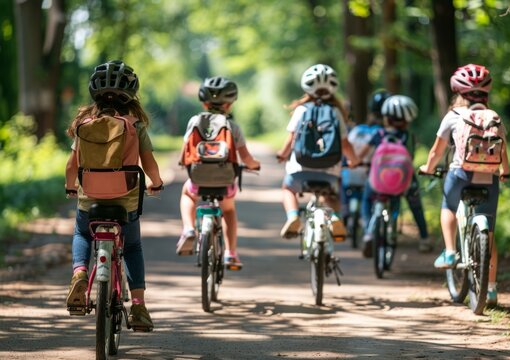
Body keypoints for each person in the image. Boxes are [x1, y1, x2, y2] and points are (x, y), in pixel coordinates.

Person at [65, 60, 163, 331]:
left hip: (90, 200)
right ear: (131, 96)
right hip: (126, 200)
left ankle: (80, 274)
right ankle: (140, 307)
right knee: (132, 247)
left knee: (82, 233)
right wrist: (156, 182)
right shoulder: (136, 125)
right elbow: (149, 162)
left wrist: (71, 187)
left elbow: (72, 165)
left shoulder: (85, 124)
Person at [419, 63, 510, 306]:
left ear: (459, 92)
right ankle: (490, 289)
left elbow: (437, 151)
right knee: (489, 232)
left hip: (460, 173)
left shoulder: (453, 116)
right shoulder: (494, 117)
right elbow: (503, 150)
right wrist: (504, 172)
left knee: (448, 207)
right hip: (489, 177)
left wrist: (427, 168)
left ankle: (450, 251)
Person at [176, 76, 260, 270]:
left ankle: (188, 228)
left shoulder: (194, 121)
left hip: (198, 179)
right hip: (225, 182)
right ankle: (230, 254)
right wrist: (254, 165)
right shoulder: (233, 126)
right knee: (228, 210)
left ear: (204, 103)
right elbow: (246, 158)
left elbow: (184, 154)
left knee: (187, 193)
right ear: (229, 105)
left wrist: (183, 162)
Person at [276, 64, 359, 239]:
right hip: (329, 170)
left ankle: (293, 217)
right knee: (330, 194)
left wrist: (282, 155)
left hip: (300, 169)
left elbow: (291, 139)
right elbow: (345, 144)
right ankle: (335, 217)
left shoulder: (301, 110)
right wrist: (354, 161)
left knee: (288, 188)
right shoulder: (336, 112)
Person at [357, 95, 425, 257]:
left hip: (379, 180)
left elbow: (362, 154)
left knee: (366, 199)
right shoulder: (409, 136)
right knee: (415, 204)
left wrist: (355, 163)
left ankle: (368, 231)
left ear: (386, 118)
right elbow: (411, 158)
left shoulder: (379, 134)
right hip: (403, 181)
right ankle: (424, 238)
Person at [341, 90, 389, 231]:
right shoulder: (382, 132)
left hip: (353, 169)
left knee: (344, 184)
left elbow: (349, 148)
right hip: (373, 171)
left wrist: (351, 162)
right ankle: (369, 229)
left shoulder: (357, 130)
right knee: (368, 197)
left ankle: (344, 211)